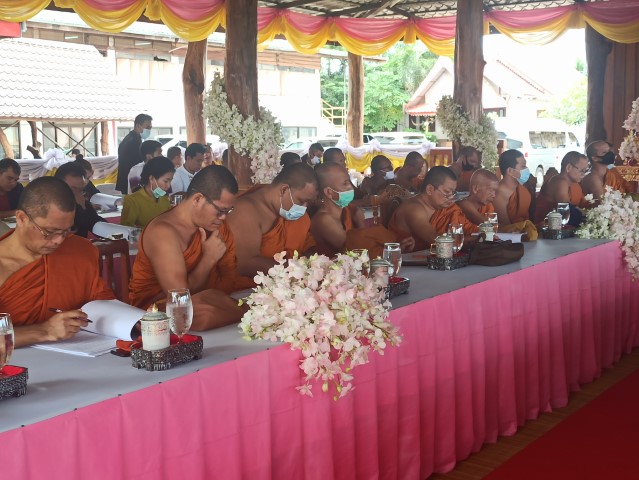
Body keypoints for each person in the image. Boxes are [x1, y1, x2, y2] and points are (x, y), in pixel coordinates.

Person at [0, 177, 115, 347]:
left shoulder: (80, 250)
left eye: (66, 231)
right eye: (50, 232)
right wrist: (45, 331)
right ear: (21, 218)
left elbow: (101, 303)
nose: (59, 241)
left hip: (81, 351)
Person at [129, 166, 244, 330]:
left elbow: (228, 273)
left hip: (203, 301)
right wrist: (208, 259)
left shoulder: (212, 226)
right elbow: (179, 298)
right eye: (220, 210)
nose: (224, 217)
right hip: (156, 312)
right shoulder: (162, 232)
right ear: (197, 199)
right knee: (205, 313)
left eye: (228, 210)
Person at [228, 163, 318, 282]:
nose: (304, 208)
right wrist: (296, 271)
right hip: (250, 287)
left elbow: (307, 245)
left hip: (292, 282)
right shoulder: (246, 211)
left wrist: (311, 265)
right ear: (284, 189)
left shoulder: (294, 214)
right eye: (301, 201)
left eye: (308, 203)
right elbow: (245, 264)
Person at [388, 166, 457, 251]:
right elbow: (434, 239)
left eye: (453, 193)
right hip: (408, 258)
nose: (451, 197)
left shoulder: (442, 207)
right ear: (430, 189)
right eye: (447, 192)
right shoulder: (414, 209)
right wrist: (466, 240)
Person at [534, 151, 589, 224]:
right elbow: (566, 210)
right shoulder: (560, 182)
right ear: (568, 167)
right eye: (582, 170)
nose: (584, 174)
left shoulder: (573, 184)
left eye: (586, 170)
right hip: (544, 226)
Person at [121, 156, 174, 227]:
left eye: (170, 181)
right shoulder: (132, 201)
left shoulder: (165, 199)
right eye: (166, 181)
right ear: (151, 178)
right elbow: (126, 230)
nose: (168, 186)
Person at [54, 162, 104, 237]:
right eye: (73, 189)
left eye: (81, 190)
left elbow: (94, 222)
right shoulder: (51, 207)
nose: (77, 194)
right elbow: (70, 234)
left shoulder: (81, 199)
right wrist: (80, 209)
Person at [493, 149, 532, 226]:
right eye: (523, 166)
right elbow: (506, 227)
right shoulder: (498, 195)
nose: (526, 169)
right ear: (510, 171)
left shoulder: (521, 189)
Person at [116, 113, 152, 194]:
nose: (149, 130)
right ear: (138, 125)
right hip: (132, 180)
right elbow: (139, 162)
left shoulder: (129, 137)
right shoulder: (135, 141)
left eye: (150, 128)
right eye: (147, 127)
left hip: (126, 180)